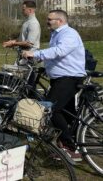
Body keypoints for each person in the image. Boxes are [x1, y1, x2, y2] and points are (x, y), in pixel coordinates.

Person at [22, 9, 86, 161]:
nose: (47, 22)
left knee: (51, 109)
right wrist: (46, 67)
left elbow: (59, 51)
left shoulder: (69, 34)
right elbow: (56, 56)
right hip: (61, 78)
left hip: (69, 78)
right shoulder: (56, 34)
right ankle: (66, 146)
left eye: (50, 19)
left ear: (60, 21)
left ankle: (70, 147)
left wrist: (35, 54)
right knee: (66, 112)